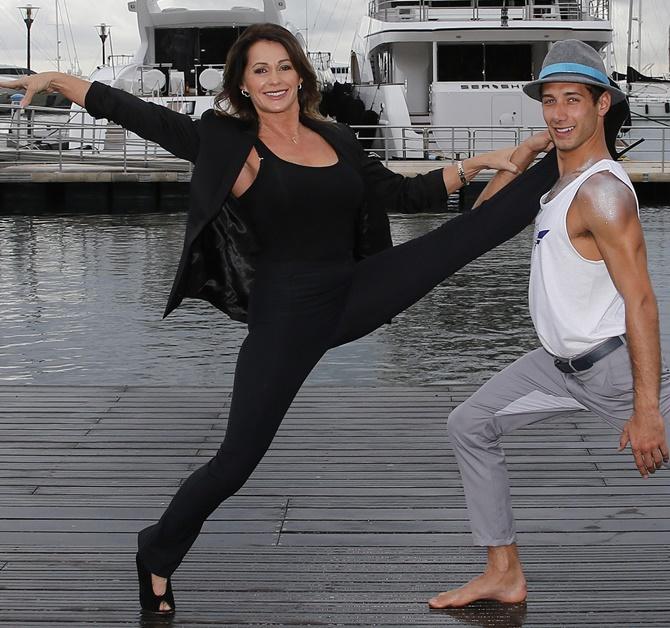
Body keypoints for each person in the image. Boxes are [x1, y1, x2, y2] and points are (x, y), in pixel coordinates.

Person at [0, 23, 557, 616]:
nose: (274, 79)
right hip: (285, 316)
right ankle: (156, 550)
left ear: (300, 73)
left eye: (283, 67)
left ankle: (568, 156)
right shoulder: (228, 141)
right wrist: (60, 80)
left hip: (351, 290)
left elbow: (405, 194)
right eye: (259, 70)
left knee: (455, 243)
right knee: (234, 463)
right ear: (242, 82)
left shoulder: (336, 137)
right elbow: (143, 116)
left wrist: (490, 160)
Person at [429, 39, 670, 610]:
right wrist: (527, 151)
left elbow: (641, 301)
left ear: (601, 106)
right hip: (555, 368)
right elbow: (481, 220)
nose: (560, 114)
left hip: (613, 368)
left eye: (573, 101)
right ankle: (503, 572)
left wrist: (645, 410)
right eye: (551, 102)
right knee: (470, 423)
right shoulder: (556, 185)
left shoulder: (603, 193)